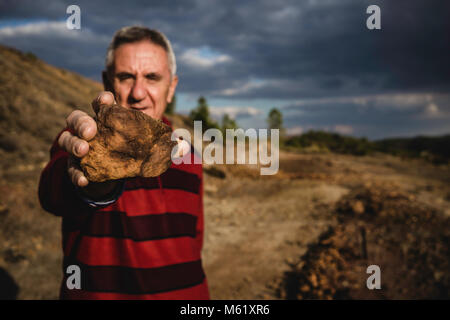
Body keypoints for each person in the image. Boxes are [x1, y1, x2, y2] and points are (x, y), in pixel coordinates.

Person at [38, 26, 210, 300]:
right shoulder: (82, 139)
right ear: (108, 82)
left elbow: (194, 241)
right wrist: (93, 182)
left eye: (152, 77)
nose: (138, 92)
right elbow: (52, 195)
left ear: (171, 87)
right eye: (126, 77)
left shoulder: (190, 155)